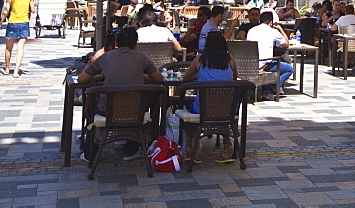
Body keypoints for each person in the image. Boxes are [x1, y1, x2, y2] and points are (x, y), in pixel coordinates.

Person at [77, 26, 163, 163]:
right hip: (136, 112)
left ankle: (90, 153)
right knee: (149, 103)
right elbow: (159, 79)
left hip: (108, 112)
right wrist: (140, 75)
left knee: (91, 109)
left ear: (117, 42)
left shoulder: (105, 57)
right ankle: (132, 149)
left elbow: (81, 79)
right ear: (135, 43)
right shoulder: (142, 58)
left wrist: (101, 76)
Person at [180, 31, 238, 163]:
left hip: (203, 109)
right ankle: (228, 144)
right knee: (220, 111)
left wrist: (199, 75)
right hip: (227, 110)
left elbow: (186, 78)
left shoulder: (199, 60)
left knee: (187, 108)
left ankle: (190, 146)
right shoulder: (230, 60)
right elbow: (234, 78)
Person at [246, 11, 293, 98]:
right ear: (271, 22)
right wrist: (280, 28)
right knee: (289, 69)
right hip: (264, 64)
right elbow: (286, 44)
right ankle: (270, 90)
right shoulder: (273, 32)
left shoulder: (251, 31)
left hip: (250, 64)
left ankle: (265, 88)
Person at [1, 0, 35, 77]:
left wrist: (0, 21)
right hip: (24, 22)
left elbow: (6, 10)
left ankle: (7, 68)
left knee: (8, 48)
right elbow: (33, 10)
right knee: (20, 48)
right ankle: (16, 71)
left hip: (12, 22)